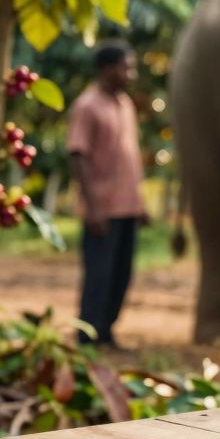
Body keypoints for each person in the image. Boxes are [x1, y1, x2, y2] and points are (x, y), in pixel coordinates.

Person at [67, 40, 147, 347]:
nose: (131, 74)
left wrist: (140, 203)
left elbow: (130, 156)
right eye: (126, 67)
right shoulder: (87, 106)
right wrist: (93, 207)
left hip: (128, 206)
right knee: (98, 276)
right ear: (106, 69)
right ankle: (86, 337)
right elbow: (78, 155)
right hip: (102, 209)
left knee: (121, 275)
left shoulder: (126, 105)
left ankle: (106, 332)